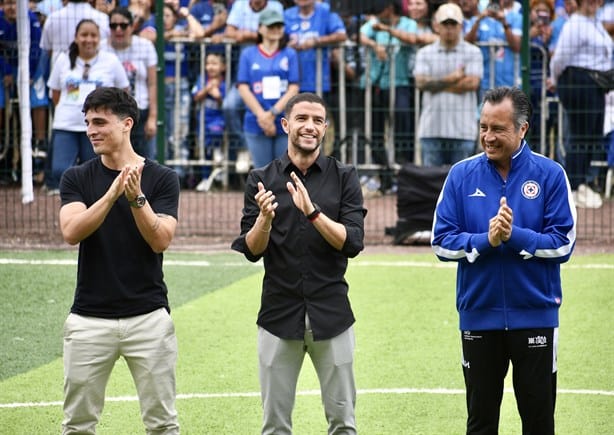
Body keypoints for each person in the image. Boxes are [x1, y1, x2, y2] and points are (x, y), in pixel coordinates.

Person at [431, 86, 577, 435]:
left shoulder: (551, 174)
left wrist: (516, 236)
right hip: (479, 319)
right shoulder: (460, 175)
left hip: (536, 318)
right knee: (480, 423)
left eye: (498, 129)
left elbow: (564, 243)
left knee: (539, 422)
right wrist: (486, 240)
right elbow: (441, 242)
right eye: (483, 127)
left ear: (522, 129)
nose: (488, 136)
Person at [231, 92, 366, 435]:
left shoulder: (344, 177)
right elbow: (252, 249)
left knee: (343, 425)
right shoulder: (261, 178)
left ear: (325, 129)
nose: (310, 126)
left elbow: (352, 242)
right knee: (274, 427)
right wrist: (263, 219)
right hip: (278, 314)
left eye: (318, 121)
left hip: (332, 314)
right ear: (286, 124)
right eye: (302, 118)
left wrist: (313, 212)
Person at [58, 86, 180, 434]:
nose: (91, 130)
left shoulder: (162, 178)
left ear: (127, 124)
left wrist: (136, 198)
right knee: (78, 425)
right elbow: (72, 231)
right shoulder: (77, 177)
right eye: (87, 123)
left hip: (149, 318)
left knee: (162, 424)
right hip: (88, 320)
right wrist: (112, 195)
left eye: (100, 122)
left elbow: (161, 240)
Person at [46, 19, 129, 194]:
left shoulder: (111, 61)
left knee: (96, 173)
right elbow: (55, 93)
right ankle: (72, 209)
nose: (88, 39)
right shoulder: (62, 59)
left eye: (93, 35)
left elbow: (124, 92)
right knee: (60, 170)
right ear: (76, 38)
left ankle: (94, 209)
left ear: (99, 38)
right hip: (66, 124)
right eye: (84, 35)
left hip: (99, 127)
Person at [549, 0, 611, 208]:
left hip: (596, 84)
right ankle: (574, 186)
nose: (594, 2)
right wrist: (555, 80)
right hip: (577, 81)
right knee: (579, 134)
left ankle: (581, 181)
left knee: (592, 134)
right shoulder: (574, 24)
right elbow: (559, 59)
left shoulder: (595, 22)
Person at [414, 2, 483, 166]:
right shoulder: (425, 53)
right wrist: (452, 78)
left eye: (453, 23)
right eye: (445, 23)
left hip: (463, 130)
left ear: (461, 26)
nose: (449, 28)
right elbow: (421, 82)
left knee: (462, 187)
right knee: (430, 187)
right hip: (432, 129)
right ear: (436, 25)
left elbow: (472, 83)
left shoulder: (473, 52)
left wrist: (436, 85)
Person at [359, 0, 418, 189]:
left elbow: (412, 39)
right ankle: (384, 175)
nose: (376, 13)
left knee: (403, 126)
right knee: (375, 130)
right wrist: (375, 45)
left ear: (390, 8)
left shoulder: (408, 23)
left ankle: (404, 172)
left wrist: (387, 30)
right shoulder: (374, 24)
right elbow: (361, 35)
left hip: (400, 83)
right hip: (378, 83)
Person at [237, 8, 300, 168]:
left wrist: (272, 114)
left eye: (279, 26)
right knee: (262, 172)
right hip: (255, 120)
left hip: (284, 120)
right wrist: (262, 116)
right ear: (260, 28)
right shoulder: (248, 54)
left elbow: (293, 88)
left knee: (285, 171)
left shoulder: (290, 54)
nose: (275, 30)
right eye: (271, 26)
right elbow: (243, 87)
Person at [101, 7, 158, 160]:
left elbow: (152, 84)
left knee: (144, 161)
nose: (118, 29)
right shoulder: (101, 48)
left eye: (123, 25)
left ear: (132, 27)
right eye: (113, 26)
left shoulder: (145, 46)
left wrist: (153, 117)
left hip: (140, 110)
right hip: (111, 113)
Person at [463, 0, 522, 94]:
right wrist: (479, 20)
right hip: (485, 81)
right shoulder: (476, 20)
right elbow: (466, 44)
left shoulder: (516, 18)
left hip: (510, 82)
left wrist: (504, 23)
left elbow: (516, 46)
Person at [192, 51, 226, 191]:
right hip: (203, 121)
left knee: (216, 138)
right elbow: (195, 96)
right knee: (204, 149)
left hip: (218, 120)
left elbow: (226, 102)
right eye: (208, 64)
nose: (210, 67)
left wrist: (218, 96)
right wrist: (206, 90)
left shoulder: (225, 81)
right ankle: (206, 178)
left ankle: (219, 170)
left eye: (214, 64)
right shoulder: (202, 79)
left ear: (223, 67)